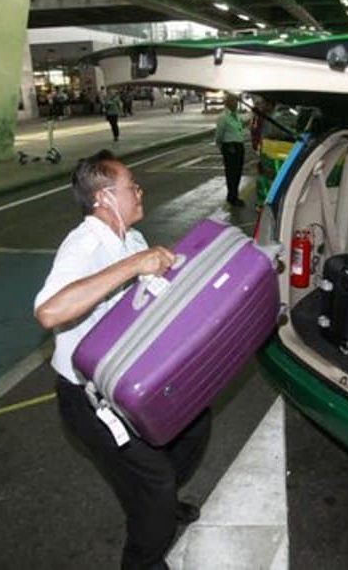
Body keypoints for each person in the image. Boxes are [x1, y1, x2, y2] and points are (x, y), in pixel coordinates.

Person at [34, 150, 210, 570]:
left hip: (128, 380)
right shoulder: (85, 244)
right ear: (104, 198)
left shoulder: (131, 238)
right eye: (132, 186)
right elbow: (49, 311)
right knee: (154, 479)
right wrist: (133, 266)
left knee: (193, 423)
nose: (138, 191)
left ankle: (158, 504)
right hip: (89, 398)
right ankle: (143, 559)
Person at [215, 94, 246, 207]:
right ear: (227, 103)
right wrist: (222, 147)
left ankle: (234, 195)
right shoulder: (223, 117)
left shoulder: (236, 116)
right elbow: (219, 135)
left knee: (238, 172)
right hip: (230, 147)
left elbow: (239, 130)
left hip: (239, 146)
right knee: (231, 173)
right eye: (233, 101)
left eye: (236, 101)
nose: (236, 104)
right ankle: (232, 197)